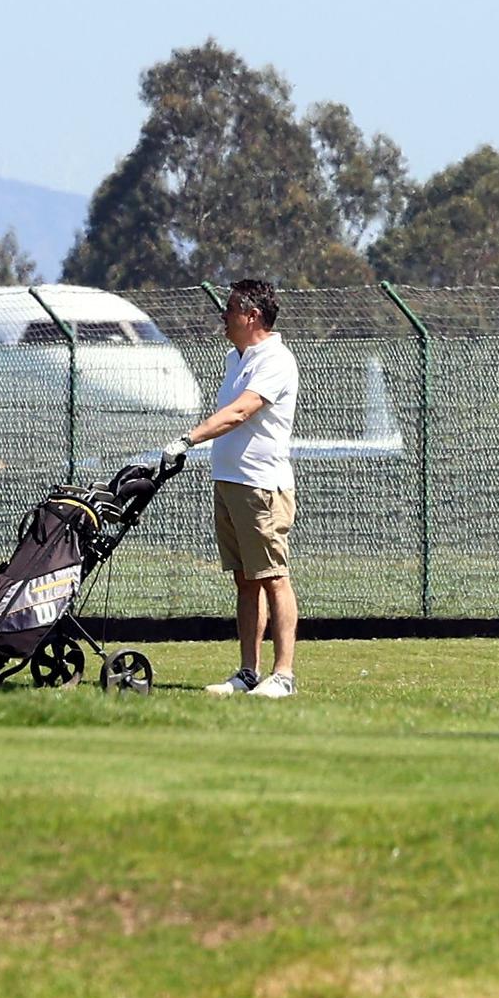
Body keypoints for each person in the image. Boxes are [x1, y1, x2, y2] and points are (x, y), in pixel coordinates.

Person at [160, 279, 301, 698]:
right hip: (230, 482)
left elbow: (239, 412)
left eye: (231, 309)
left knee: (273, 576)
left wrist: (188, 439)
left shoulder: (275, 360)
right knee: (245, 580)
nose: (224, 316)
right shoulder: (234, 357)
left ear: (252, 315)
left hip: (261, 486)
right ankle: (248, 672)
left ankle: (284, 675)